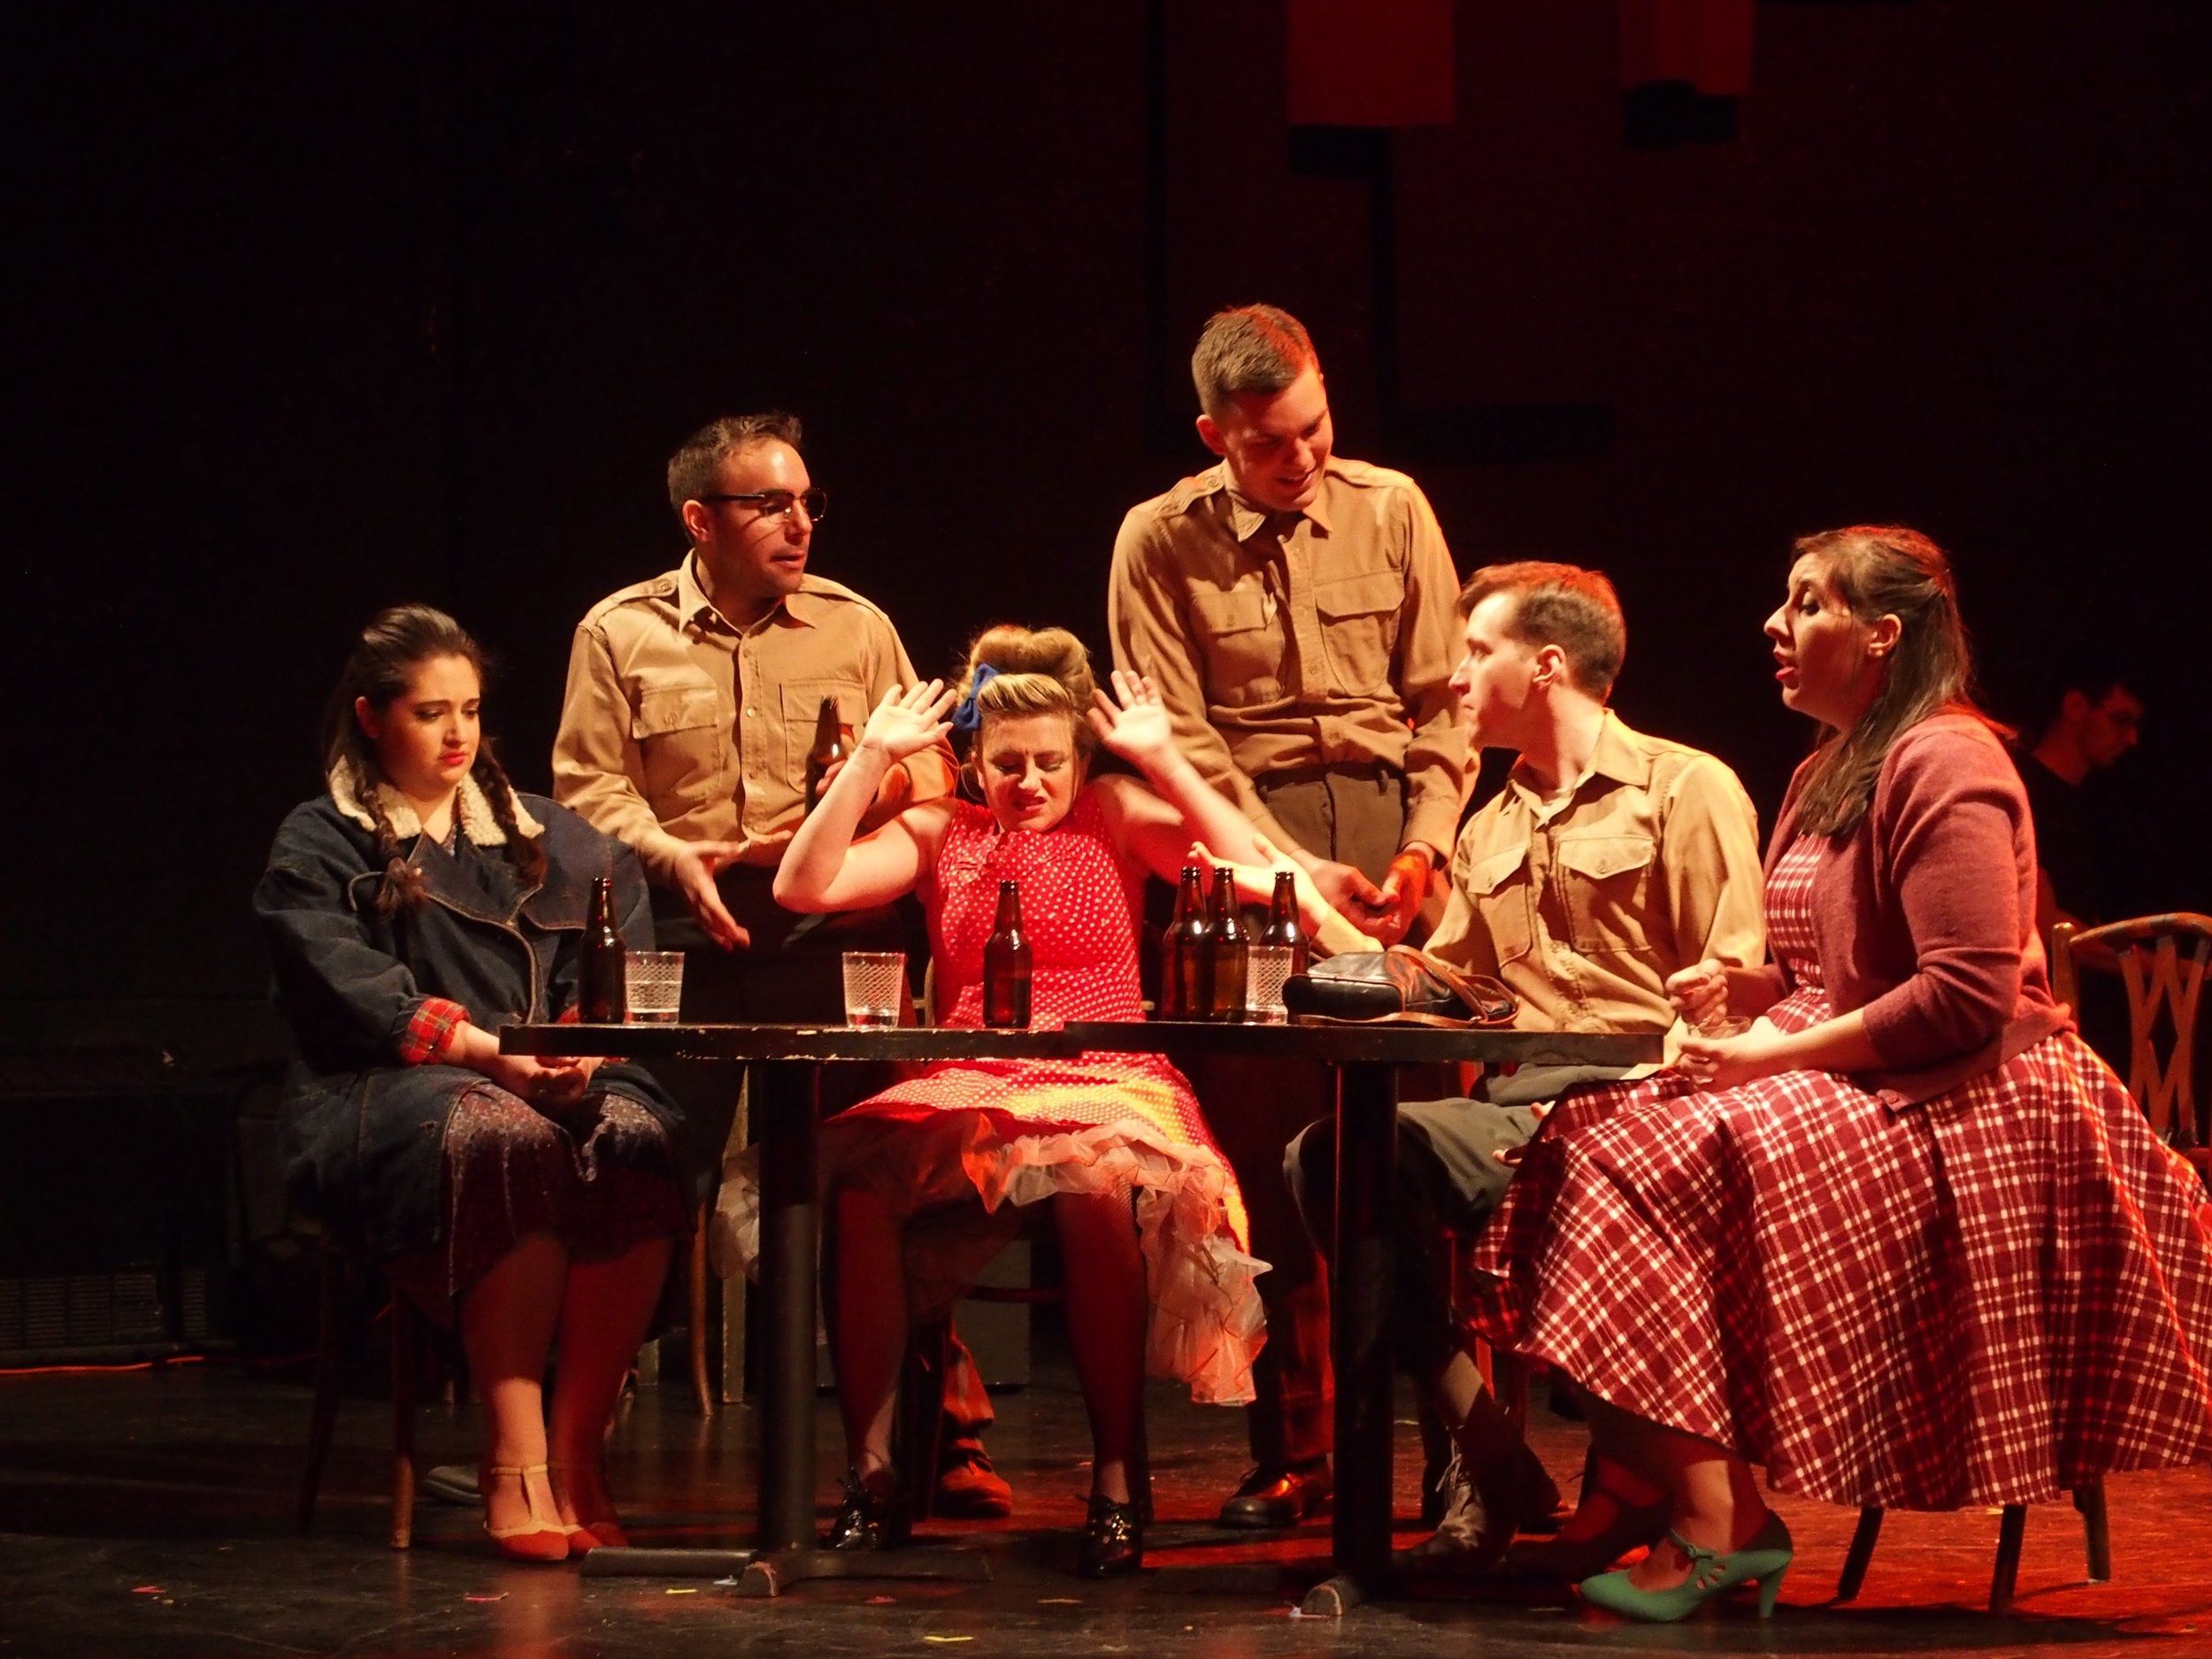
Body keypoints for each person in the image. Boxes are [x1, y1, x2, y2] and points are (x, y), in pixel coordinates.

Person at [1462, 526, 2212, 1622]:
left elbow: (1963, 994)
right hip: (1863, 1072)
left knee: (1638, 1159)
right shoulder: (1829, 766)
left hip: (1972, 1103)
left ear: (1880, 637)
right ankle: (1699, 1503)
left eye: (1807, 604)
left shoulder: (1946, 756)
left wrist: (1776, 1049)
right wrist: (1751, 992)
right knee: (1587, 1135)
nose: (1776, 624)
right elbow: (1847, 961)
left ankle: (1716, 1522)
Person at [718, 626, 1361, 1577]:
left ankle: (1112, 1480)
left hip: (1107, 1071)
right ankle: (872, 1473)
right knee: (855, 1190)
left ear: (1080, 760)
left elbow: (1263, 875)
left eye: (1049, 762)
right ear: (973, 765)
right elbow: (802, 883)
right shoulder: (945, 829)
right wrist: (868, 761)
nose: (1029, 781)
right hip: (971, 1075)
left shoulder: (1109, 812)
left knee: (1094, 1187)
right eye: (1008, 762)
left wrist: (1167, 763)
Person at [551, 411, 1004, 1518]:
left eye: (807, 502)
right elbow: (585, 786)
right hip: (683, 928)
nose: (799, 523)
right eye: (770, 504)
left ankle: (919, 1441)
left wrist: (874, 785)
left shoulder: (855, 628)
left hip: (834, 923)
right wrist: (670, 854)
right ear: (700, 519)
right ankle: (575, 1451)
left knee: (869, 1178)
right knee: (649, 1168)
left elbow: (939, 775)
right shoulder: (620, 632)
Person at [1284, 562, 1766, 1575]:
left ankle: (1643, 1482)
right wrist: (1286, 896)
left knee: (1560, 1162)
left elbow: (1728, 978)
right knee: (1336, 1154)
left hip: (1639, 1102)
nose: (1456, 679)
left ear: (1546, 666)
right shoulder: (1492, 821)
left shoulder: (1684, 786)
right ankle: (1491, 1450)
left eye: (1476, 653)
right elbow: (1438, 987)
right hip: (1515, 1106)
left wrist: (1661, 1091)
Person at [1107, 303, 1467, 1527]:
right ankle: (1299, 1447)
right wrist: (1292, 874)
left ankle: (1459, 1444)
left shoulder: (1395, 504)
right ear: (1215, 432)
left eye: (1314, 428)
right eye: (1269, 443)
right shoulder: (1157, 539)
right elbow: (1187, 743)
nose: (1301, 457)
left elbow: (1443, 706)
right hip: (1241, 861)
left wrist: (1420, 852)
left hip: (1395, 849)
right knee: (1274, 1169)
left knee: (1419, 1159)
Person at [256, 604, 691, 1563]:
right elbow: (353, 993)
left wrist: (581, 1049)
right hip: (380, 1097)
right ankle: (513, 1453)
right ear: (372, 718)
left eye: (471, 711)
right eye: (429, 713)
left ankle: (579, 1455)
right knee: (504, 1138)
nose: (457, 735)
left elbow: (622, 982)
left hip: (539, 1078)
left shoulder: (562, 840)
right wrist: (491, 1051)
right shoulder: (326, 841)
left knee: (636, 1135)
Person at [2017, 649, 2146, 941]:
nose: (2132, 738)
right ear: (2075, 706)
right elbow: (2043, 922)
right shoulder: (2023, 791)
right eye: (2121, 719)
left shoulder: (2092, 804)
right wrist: (2164, 966)